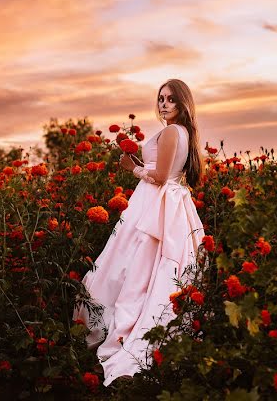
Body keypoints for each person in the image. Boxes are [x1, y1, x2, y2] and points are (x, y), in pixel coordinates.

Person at [74, 79, 205, 386]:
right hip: (159, 202)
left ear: (183, 103)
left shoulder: (173, 131)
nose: (163, 103)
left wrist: (131, 169)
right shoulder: (181, 132)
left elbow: (160, 176)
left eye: (171, 99)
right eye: (160, 98)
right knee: (140, 267)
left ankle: (120, 332)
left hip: (155, 202)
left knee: (136, 268)